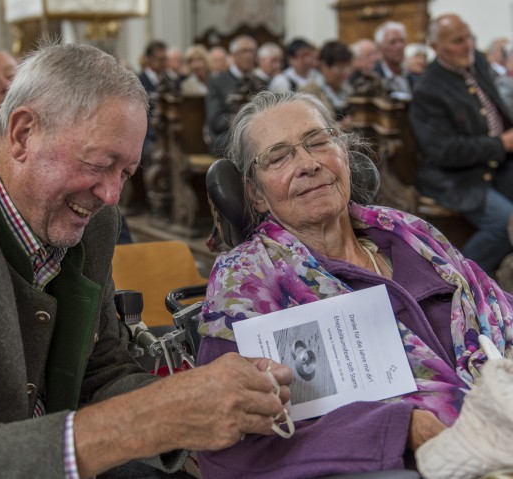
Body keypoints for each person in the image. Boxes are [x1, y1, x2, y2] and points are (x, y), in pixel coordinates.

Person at [0, 42, 293, 479]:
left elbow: (100, 367)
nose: (111, 196)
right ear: (22, 134)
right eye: (98, 163)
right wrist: (158, 416)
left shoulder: (93, 221)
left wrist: (206, 402)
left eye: (126, 173)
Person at [196, 89, 513, 478]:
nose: (309, 164)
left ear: (345, 154)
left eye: (318, 142)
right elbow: (233, 445)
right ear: (255, 193)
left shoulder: (409, 233)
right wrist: (400, 430)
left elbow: (499, 308)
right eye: (279, 157)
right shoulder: (247, 283)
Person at [409, 14, 513, 278]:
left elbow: (494, 108)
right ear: (435, 47)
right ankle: (457, 282)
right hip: (457, 176)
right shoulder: (428, 88)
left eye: (469, 37)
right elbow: (443, 151)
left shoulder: (476, 59)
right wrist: (499, 143)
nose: (468, 45)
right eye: (458, 41)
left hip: (496, 163)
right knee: (504, 223)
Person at [206, 34, 262, 157]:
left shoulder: (259, 82)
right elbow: (215, 121)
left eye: (252, 51)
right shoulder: (218, 81)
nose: (249, 55)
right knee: (249, 145)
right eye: (244, 51)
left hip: (256, 133)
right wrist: (240, 119)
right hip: (226, 137)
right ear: (234, 55)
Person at [374, 21, 411, 99]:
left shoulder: (411, 76)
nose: (399, 47)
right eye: (392, 42)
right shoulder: (373, 79)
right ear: (380, 47)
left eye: (402, 41)